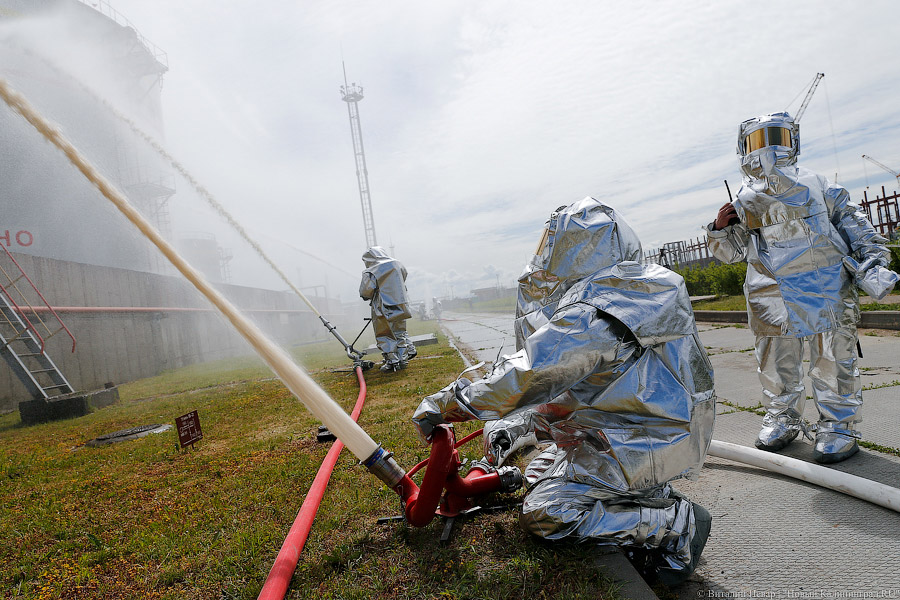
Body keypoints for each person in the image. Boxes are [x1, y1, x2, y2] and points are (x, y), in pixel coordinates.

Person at [412, 197, 716, 585]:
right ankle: (646, 495)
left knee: (545, 513)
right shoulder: (627, 292)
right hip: (640, 431)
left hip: (644, 440)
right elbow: (574, 392)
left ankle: (674, 525)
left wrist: (444, 405)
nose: (544, 257)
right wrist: (518, 428)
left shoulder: (598, 309)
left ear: (578, 251)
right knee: (539, 471)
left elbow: (530, 376)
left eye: (552, 244)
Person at [706, 112, 899, 463]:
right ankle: (783, 416)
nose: (766, 149)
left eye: (774, 136)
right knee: (776, 365)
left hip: (825, 288)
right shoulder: (743, 199)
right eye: (756, 141)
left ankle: (839, 426)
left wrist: (872, 259)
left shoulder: (819, 184)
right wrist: (720, 228)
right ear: (743, 148)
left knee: (833, 361)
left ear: (792, 140)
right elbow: (732, 254)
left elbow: (854, 224)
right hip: (769, 294)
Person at [359, 246, 416, 372]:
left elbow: (366, 291)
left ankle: (392, 361)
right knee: (399, 332)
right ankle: (403, 360)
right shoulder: (397, 264)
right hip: (400, 302)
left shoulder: (372, 270)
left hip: (381, 305)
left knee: (385, 334)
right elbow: (403, 277)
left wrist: (366, 295)